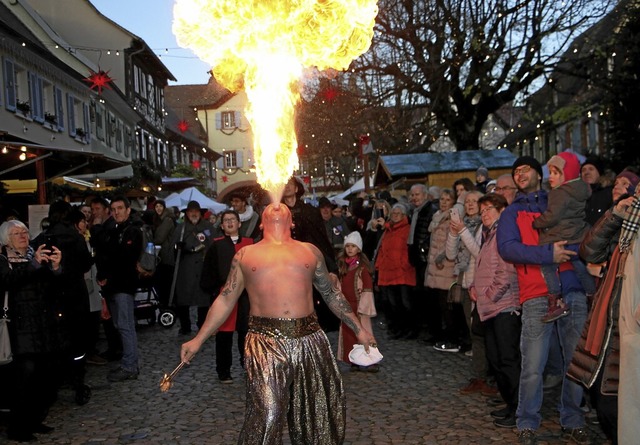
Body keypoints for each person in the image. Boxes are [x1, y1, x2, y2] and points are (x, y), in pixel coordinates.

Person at [180, 203, 375, 445]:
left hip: (310, 339)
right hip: (264, 342)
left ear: (292, 221)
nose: (276, 205)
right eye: (270, 206)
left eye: (283, 206)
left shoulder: (309, 251)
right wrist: (198, 339)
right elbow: (226, 298)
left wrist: (359, 329)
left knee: (317, 414)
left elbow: (331, 294)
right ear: (261, 222)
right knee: (267, 414)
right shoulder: (246, 255)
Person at [497, 156, 590, 445]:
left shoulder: (559, 200)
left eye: (525, 169)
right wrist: (547, 254)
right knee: (533, 366)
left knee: (574, 363)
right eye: (515, 171)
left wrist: (574, 253)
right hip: (536, 293)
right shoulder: (511, 213)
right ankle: (527, 422)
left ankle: (572, 419)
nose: (519, 173)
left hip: (571, 289)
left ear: (540, 174)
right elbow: (508, 249)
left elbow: (579, 233)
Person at [568, 170, 640, 445]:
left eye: (629, 186)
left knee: (620, 405)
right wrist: (614, 215)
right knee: (603, 401)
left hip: (630, 328)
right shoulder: (627, 223)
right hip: (609, 323)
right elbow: (590, 251)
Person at [0, 220, 62, 442]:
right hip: (18, 326)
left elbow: (52, 287)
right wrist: (34, 264)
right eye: (17, 233)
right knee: (24, 378)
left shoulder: (33, 255)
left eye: (25, 232)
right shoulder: (3, 258)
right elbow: (8, 281)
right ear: (7, 238)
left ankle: (35, 420)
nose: (23, 236)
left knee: (44, 377)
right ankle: (18, 427)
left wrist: (55, 268)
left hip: (42, 324)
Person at [470, 193, 521, 428]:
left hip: (503, 306)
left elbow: (506, 272)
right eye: (482, 211)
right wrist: (474, 287)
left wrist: (489, 295)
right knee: (496, 358)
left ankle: (518, 409)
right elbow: (485, 267)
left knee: (507, 359)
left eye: (490, 209)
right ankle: (510, 403)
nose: (485, 214)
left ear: (502, 210)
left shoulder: (502, 233)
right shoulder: (489, 235)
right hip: (489, 308)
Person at [532, 152, 595, 323]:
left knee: (548, 265)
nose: (550, 177)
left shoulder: (559, 193)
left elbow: (553, 216)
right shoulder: (580, 190)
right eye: (550, 172)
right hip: (577, 237)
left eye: (555, 173)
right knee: (580, 268)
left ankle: (555, 301)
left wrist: (537, 222)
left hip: (560, 237)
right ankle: (592, 295)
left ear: (566, 175)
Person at [446, 190, 492, 394]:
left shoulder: (485, 226)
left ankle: (486, 376)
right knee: (473, 332)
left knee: (482, 334)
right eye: (468, 202)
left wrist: (463, 230)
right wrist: (453, 233)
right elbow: (450, 254)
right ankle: (479, 375)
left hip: (481, 286)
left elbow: (479, 253)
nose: (471, 204)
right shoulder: (464, 224)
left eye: (475, 201)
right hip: (465, 283)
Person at [200, 209, 253, 383]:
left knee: (247, 332)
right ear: (222, 226)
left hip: (246, 295)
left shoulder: (250, 244)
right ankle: (224, 371)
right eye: (226, 220)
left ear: (239, 223)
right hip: (225, 293)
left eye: (233, 219)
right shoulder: (216, 245)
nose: (230, 223)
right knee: (224, 334)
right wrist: (216, 292)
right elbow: (209, 272)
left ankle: (248, 366)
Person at [282, 176, 340, 331]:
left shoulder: (311, 212)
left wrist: (332, 268)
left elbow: (321, 240)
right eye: (284, 184)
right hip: (286, 263)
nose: (287, 187)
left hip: (309, 260)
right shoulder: (277, 212)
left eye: (290, 184)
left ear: (296, 189)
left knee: (315, 294)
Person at [97, 196, 143, 382]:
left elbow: (123, 257)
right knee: (120, 325)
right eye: (113, 209)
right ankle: (129, 362)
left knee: (125, 326)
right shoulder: (115, 230)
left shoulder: (132, 231)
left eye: (120, 208)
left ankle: (130, 365)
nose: (116, 212)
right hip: (114, 286)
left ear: (128, 209)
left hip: (124, 285)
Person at [170, 200, 215, 335]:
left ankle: (202, 324)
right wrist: (180, 247)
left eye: (196, 211)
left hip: (202, 267)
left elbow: (213, 244)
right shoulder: (181, 228)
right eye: (191, 212)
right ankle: (185, 326)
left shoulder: (208, 227)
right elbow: (173, 246)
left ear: (200, 213)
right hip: (185, 269)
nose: (193, 214)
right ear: (187, 213)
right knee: (183, 297)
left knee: (203, 299)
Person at [374, 203, 416, 339]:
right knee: (392, 304)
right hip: (388, 271)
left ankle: (408, 329)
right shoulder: (387, 230)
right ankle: (397, 329)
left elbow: (408, 249)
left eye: (398, 214)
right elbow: (382, 250)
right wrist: (379, 266)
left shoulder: (407, 229)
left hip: (402, 271)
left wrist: (404, 264)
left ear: (404, 215)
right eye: (393, 213)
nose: (395, 216)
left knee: (405, 303)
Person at [336, 231, 378, 372]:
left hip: (359, 306)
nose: (350, 249)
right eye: (348, 246)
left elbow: (367, 287)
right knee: (349, 333)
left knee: (364, 332)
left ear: (358, 248)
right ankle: (354, 359)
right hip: (348, 306)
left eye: (353, 246)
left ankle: (371, 360)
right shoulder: (344, 267)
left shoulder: (362, 268)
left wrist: (365, 306)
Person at [425, 189, 460, 352]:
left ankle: (452, 337)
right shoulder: (436, 218)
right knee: (436, 305)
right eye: (442, 199)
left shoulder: (452, 219)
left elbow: (451, 244)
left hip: (446, 267)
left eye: (448, 199)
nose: (444, 202)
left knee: (447, 307)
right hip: (434, 268)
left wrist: (442, 257)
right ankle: (438, 335)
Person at [152, 199, 176, 310]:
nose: (158, 208)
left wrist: (151, 240)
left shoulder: (167, 220)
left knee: (166, 283)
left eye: (160, 206)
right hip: (163, 255)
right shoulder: (159, 220)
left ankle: (168, 306)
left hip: (167, 256)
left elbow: (159, 238)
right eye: (156, 206)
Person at [581, 157, 613, 226]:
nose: (586, 173)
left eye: (591, 169)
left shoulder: (609, 193)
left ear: (599, 173)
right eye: (583, 170)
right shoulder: (578, 195)